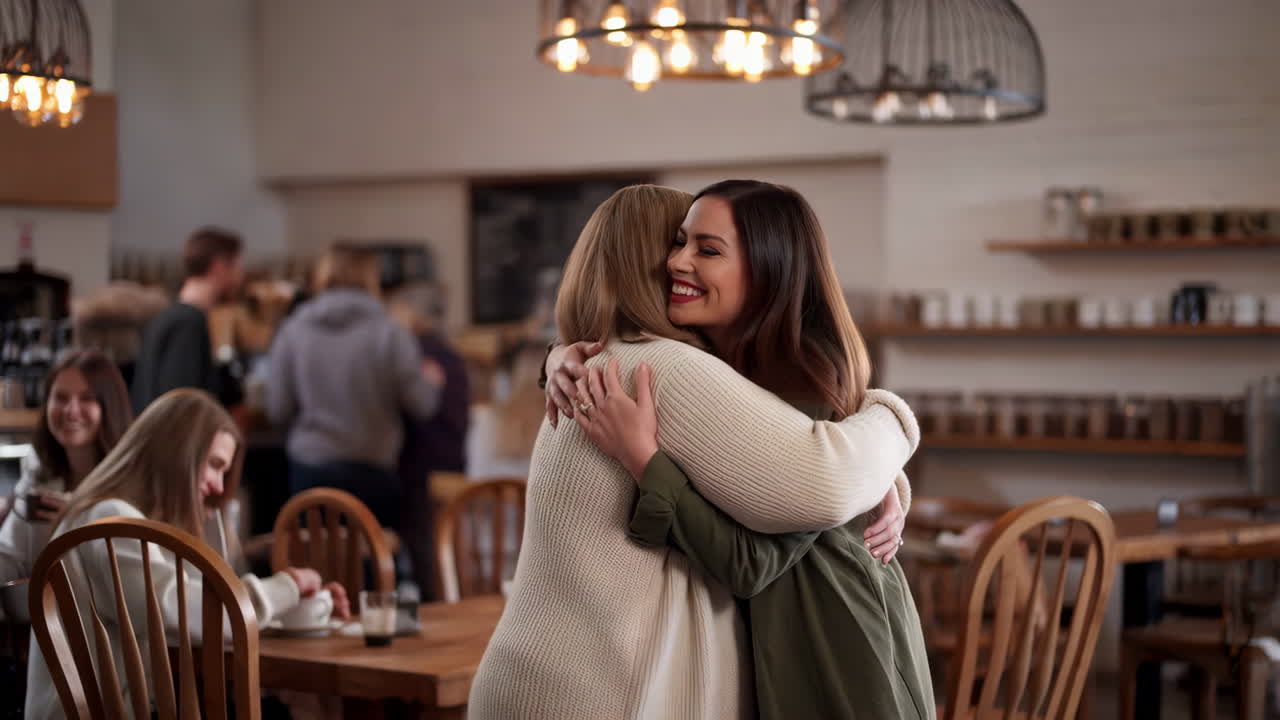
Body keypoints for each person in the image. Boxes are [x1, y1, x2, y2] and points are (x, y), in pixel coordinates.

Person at [467, 185, 917, 720]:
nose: (678, 262)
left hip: (830, 641)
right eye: (676, 243)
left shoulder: (635, 365)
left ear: (767, 269)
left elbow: (822, 477)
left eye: (706, 249)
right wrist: (890, 428)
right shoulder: (669, 368)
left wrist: (886, 451)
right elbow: (816, 485)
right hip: (600, 689)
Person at [24, 389, 349, 720]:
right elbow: (194, 612)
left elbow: (197, 607)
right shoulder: (111, 519)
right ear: (178, 455)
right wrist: (290, 585)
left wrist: (301, 609)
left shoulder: (115, 518)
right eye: (214, 466)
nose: (220, 487)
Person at [266, 244, 443, 528]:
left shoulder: (293, 330)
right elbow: (421, 405)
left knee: (314, 564)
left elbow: (278, 409)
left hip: (310, 467)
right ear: (371, 278)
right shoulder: (391, 333)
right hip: (372, 467)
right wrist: (432, 382)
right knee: (370, 564)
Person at [0, 350, 132, 584]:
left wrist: (76, 521)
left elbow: (127, 580)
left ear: (109, 407)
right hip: (42, 617)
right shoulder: (38, 470)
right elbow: (10, 556)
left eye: (86, 398)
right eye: (60, 398)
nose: (70, 410)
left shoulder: (131, 479)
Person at [387, 283, 470, 598]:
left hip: (420, 468)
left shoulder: (416, 355)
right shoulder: (452, 355)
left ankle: (431, 617)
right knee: (440, 555)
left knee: (425, 559)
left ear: (411, 315)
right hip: (452, 465)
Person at [130, 227, 245, 414]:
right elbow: (181, 406)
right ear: (219, 267)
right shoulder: (187, 323)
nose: (241, 277)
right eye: (237, 266)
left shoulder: (172, 317)